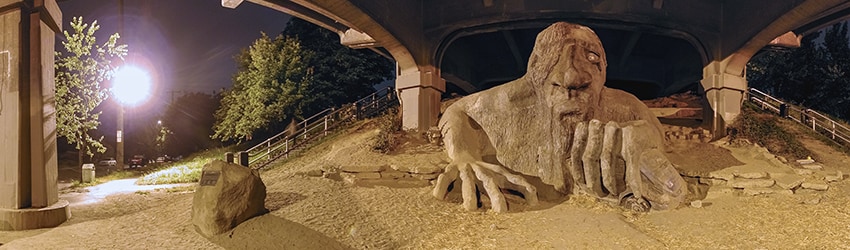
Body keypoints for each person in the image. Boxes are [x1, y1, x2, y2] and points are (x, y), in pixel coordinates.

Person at [432, 22, 684, 212]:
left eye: (592, 57)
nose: (572, 76)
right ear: (534, 70)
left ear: (604, 70)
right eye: (553, 56)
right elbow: (457, 111)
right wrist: (463, 155)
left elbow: (652, 128)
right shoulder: (513, 98)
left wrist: (645, 137)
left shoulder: (621, 104)